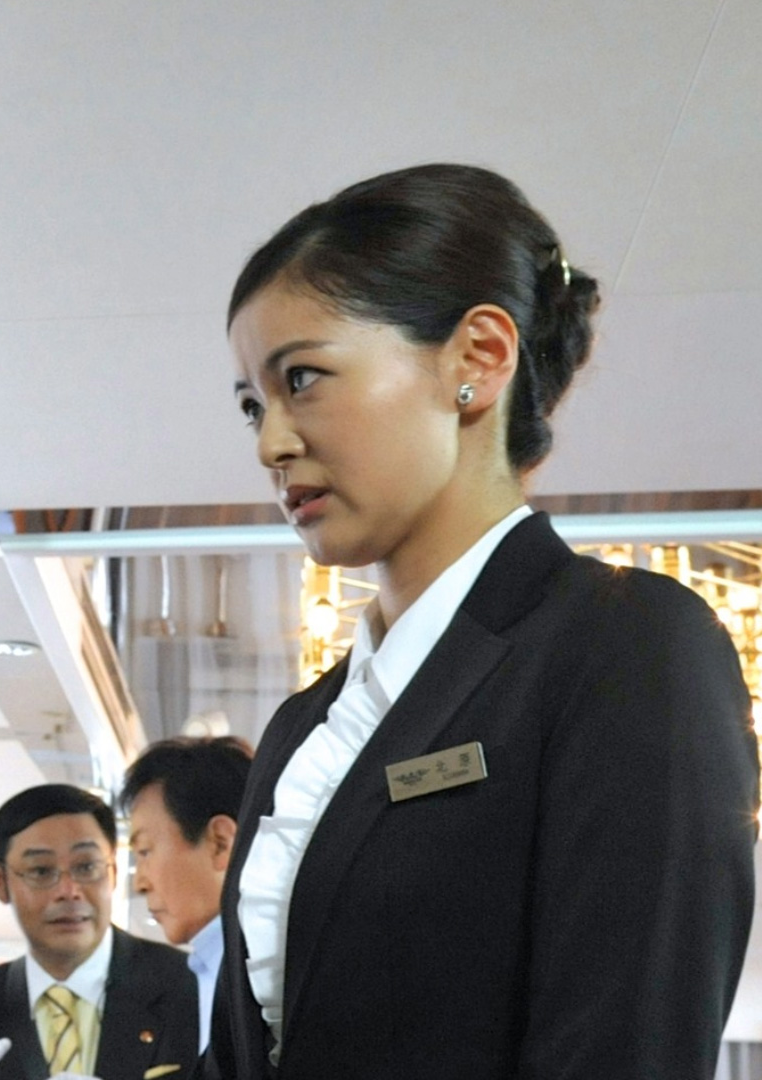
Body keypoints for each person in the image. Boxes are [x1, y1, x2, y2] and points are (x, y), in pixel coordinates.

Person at [213, 163, 758, 1078]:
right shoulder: (303, 728)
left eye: (302, 379)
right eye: (250, 406)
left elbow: (626, 1051)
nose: (271, 442)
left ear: (477, 358)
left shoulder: (623, 647)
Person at [0, 784, 198, 1080]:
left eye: (87, 867)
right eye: (41, 871)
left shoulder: (188, 986)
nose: (69, 891)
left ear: (113, 871)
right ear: (0, 881)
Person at [119, 737, 254, 1056]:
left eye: (145, 851)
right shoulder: (209, 970)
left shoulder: (261, 977)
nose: (139, 882)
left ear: (220, 843)